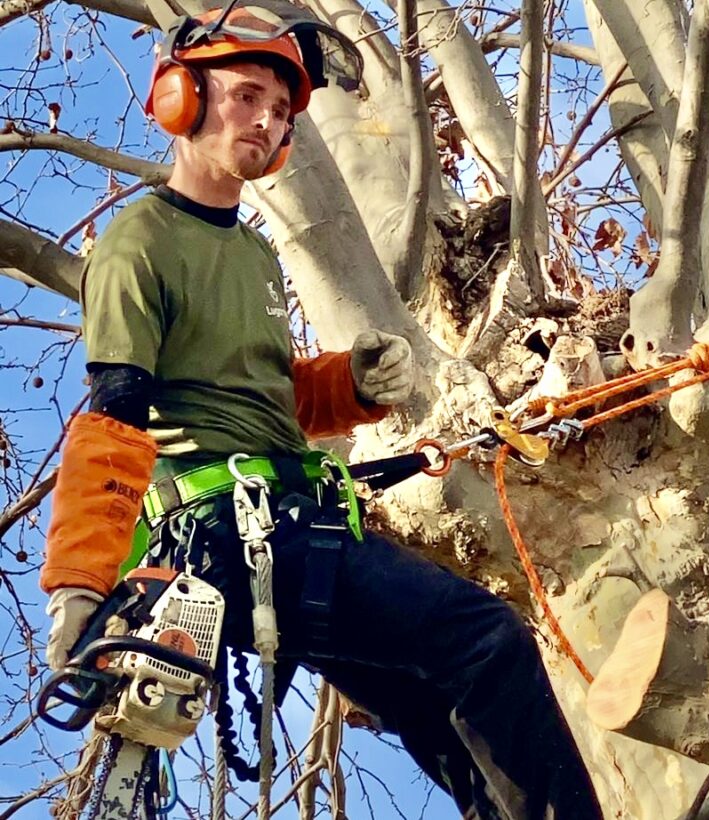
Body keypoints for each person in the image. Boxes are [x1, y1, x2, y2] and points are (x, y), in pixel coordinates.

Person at [39, 7, 602, 819]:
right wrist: (80, 587)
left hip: (296, 521)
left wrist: (351, 385)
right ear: (182, 99)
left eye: (278, 110)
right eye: (246, 96)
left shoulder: (251, 251)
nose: (265, 120)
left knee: (434, 702)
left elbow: (260, 393)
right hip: (239, 533)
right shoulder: (140, 242)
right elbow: (118, 413)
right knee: (488, 641)